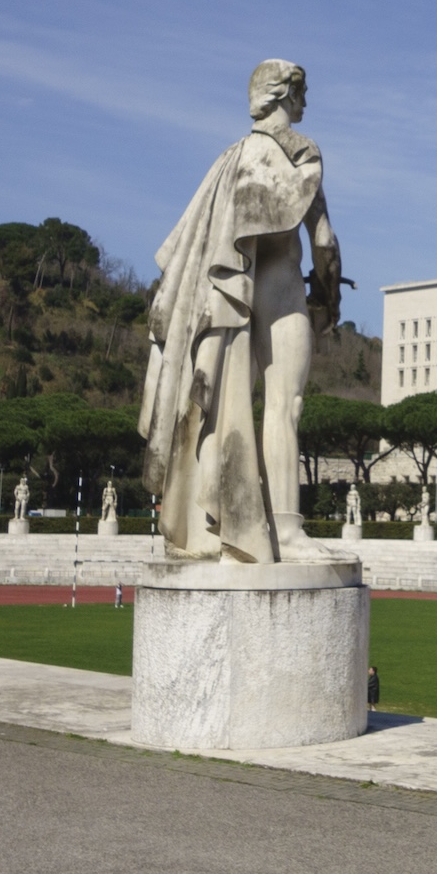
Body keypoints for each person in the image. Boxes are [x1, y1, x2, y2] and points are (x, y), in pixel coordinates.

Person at [139, 60, 352, 564]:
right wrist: (329, 296)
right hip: (278, 285)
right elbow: (322, 239)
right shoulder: (299, 150)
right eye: (301, 94)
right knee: (284, 405)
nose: (305, 104)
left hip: (229, 291)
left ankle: (213, 525)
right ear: (283, 97)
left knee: (223, 402)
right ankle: (285, 529)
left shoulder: (229, 159)